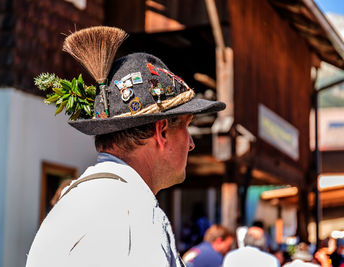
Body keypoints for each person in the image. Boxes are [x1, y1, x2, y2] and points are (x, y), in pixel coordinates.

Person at [25, 26, 225, 267]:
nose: (191, 143)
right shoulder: (134, 216)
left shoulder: (69, 206)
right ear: (161, 131)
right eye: (186, 127)